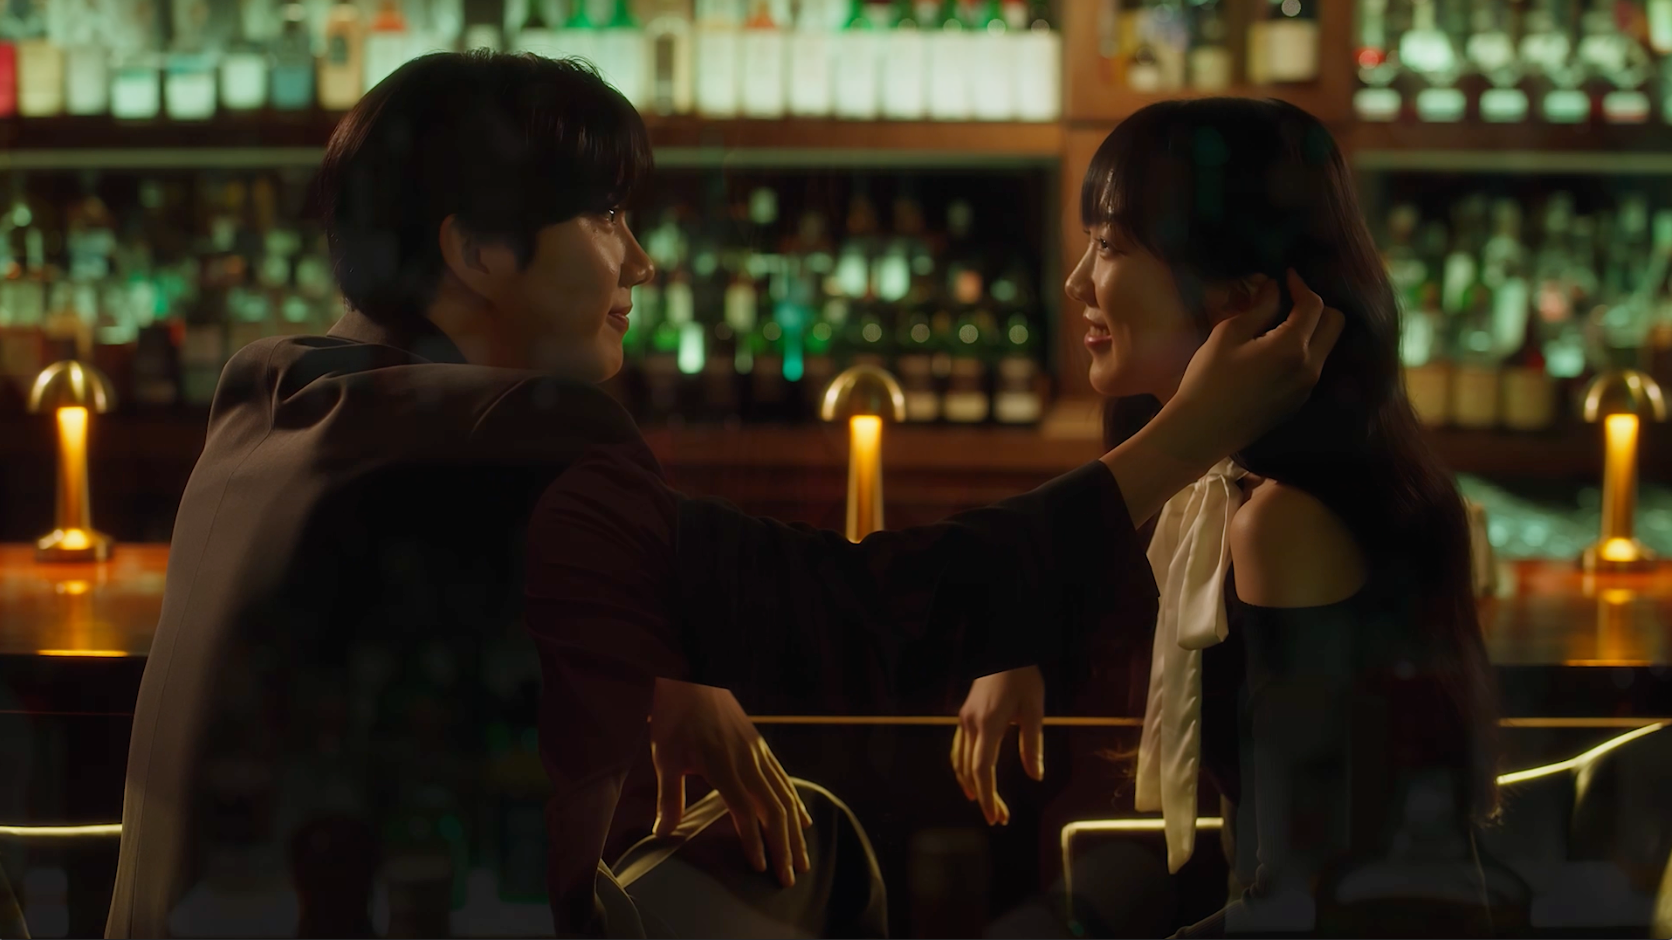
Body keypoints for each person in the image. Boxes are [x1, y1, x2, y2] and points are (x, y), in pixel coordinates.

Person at [106, 51, 1339, 939]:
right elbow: (871, 616)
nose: (640, 259)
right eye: (604, 215)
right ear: (475, 250)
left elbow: (414, 598)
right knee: (816, 850)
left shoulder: (272, 391)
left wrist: (658, 648)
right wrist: (1188, 437)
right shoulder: (532, 441)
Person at [952, 98, 1508, 937]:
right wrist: (1026, 639)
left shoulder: (1285, 523)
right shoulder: (1223, 483)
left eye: (1111, 246)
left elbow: (1307, 904)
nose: (1077, 282)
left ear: (1242, 298)